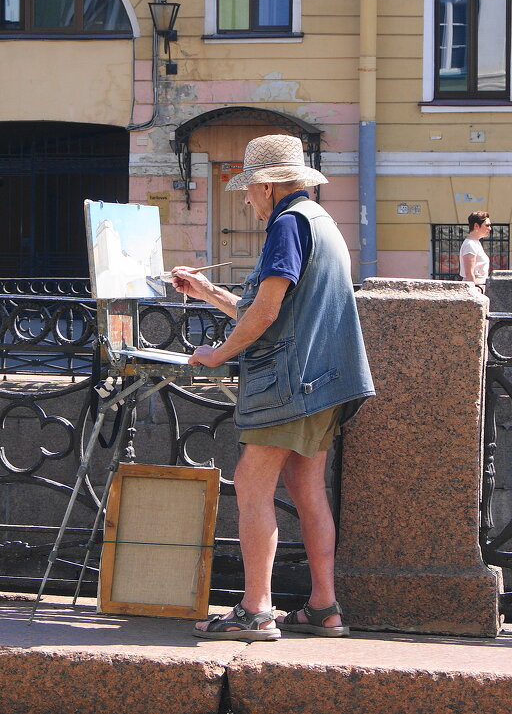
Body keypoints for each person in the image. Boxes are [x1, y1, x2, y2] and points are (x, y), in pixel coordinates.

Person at [171, 134, 375, 642]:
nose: (245, 199)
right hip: (325, 382)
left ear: (268, 185)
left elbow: (265, 312)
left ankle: (256, 611)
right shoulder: (321, 222)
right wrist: (208, 292)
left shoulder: (286, 224)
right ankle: (325, 607)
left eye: (248, 189)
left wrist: (216, 355)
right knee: (308, 490)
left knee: (251, 483)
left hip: (287, 382)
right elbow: (275, 308)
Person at [459, 211, 492, 287]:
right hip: (476, 289)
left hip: (480, 287)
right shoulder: (470, 244)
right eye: (487, 225)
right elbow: (469, 274)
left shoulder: (475, 243)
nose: (490, 228)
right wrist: (475, 293)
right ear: (476, 226)